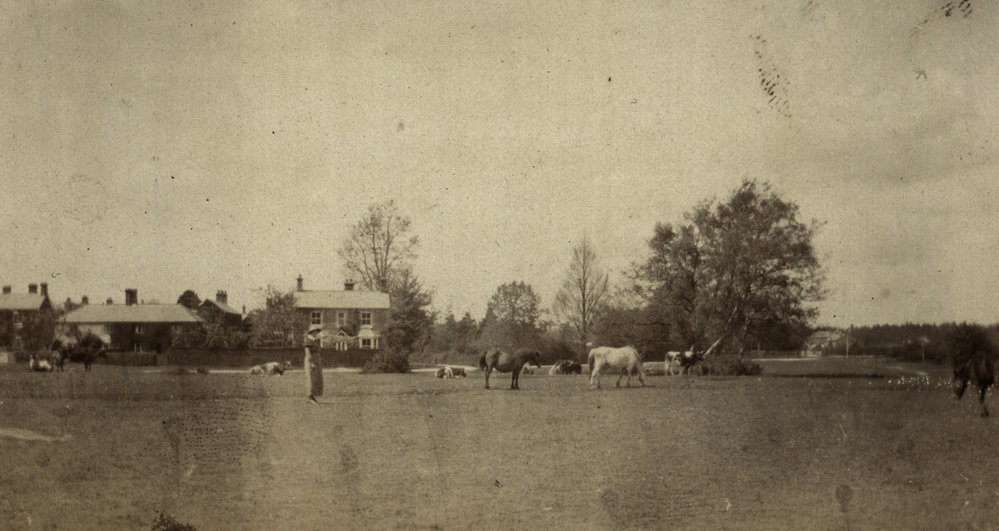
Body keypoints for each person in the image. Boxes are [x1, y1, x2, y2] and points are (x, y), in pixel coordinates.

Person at [304, 325, 324, 404]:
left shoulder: (314, 340)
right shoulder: (308, 340)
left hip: (316, 361)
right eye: (315, 331)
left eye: (317, 331)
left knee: (316, 379)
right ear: (311, 332)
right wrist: (311, 363)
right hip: (311, 361)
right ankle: (310, 397)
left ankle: (312, 396)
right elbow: (307, 352)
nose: (316, 333)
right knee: (311, 378)